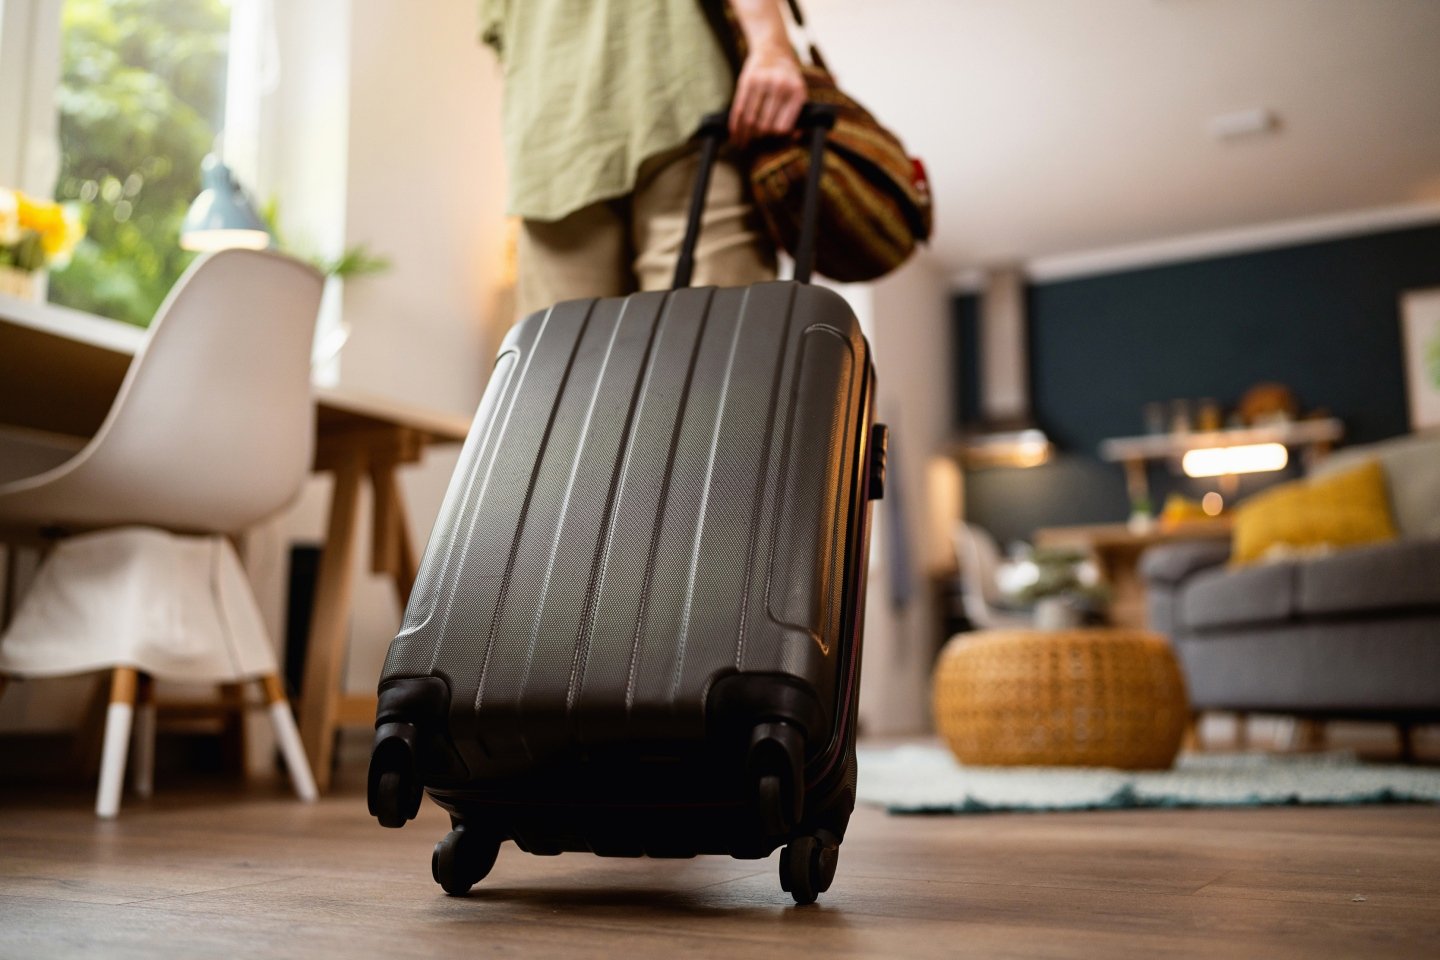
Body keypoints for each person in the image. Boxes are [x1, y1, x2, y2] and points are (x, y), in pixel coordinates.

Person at [478, 0, 808, 319]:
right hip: (647, 107)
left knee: (706, 356)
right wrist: (770, 47)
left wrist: (770, 47)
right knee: (705, 357)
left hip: (651, 125)